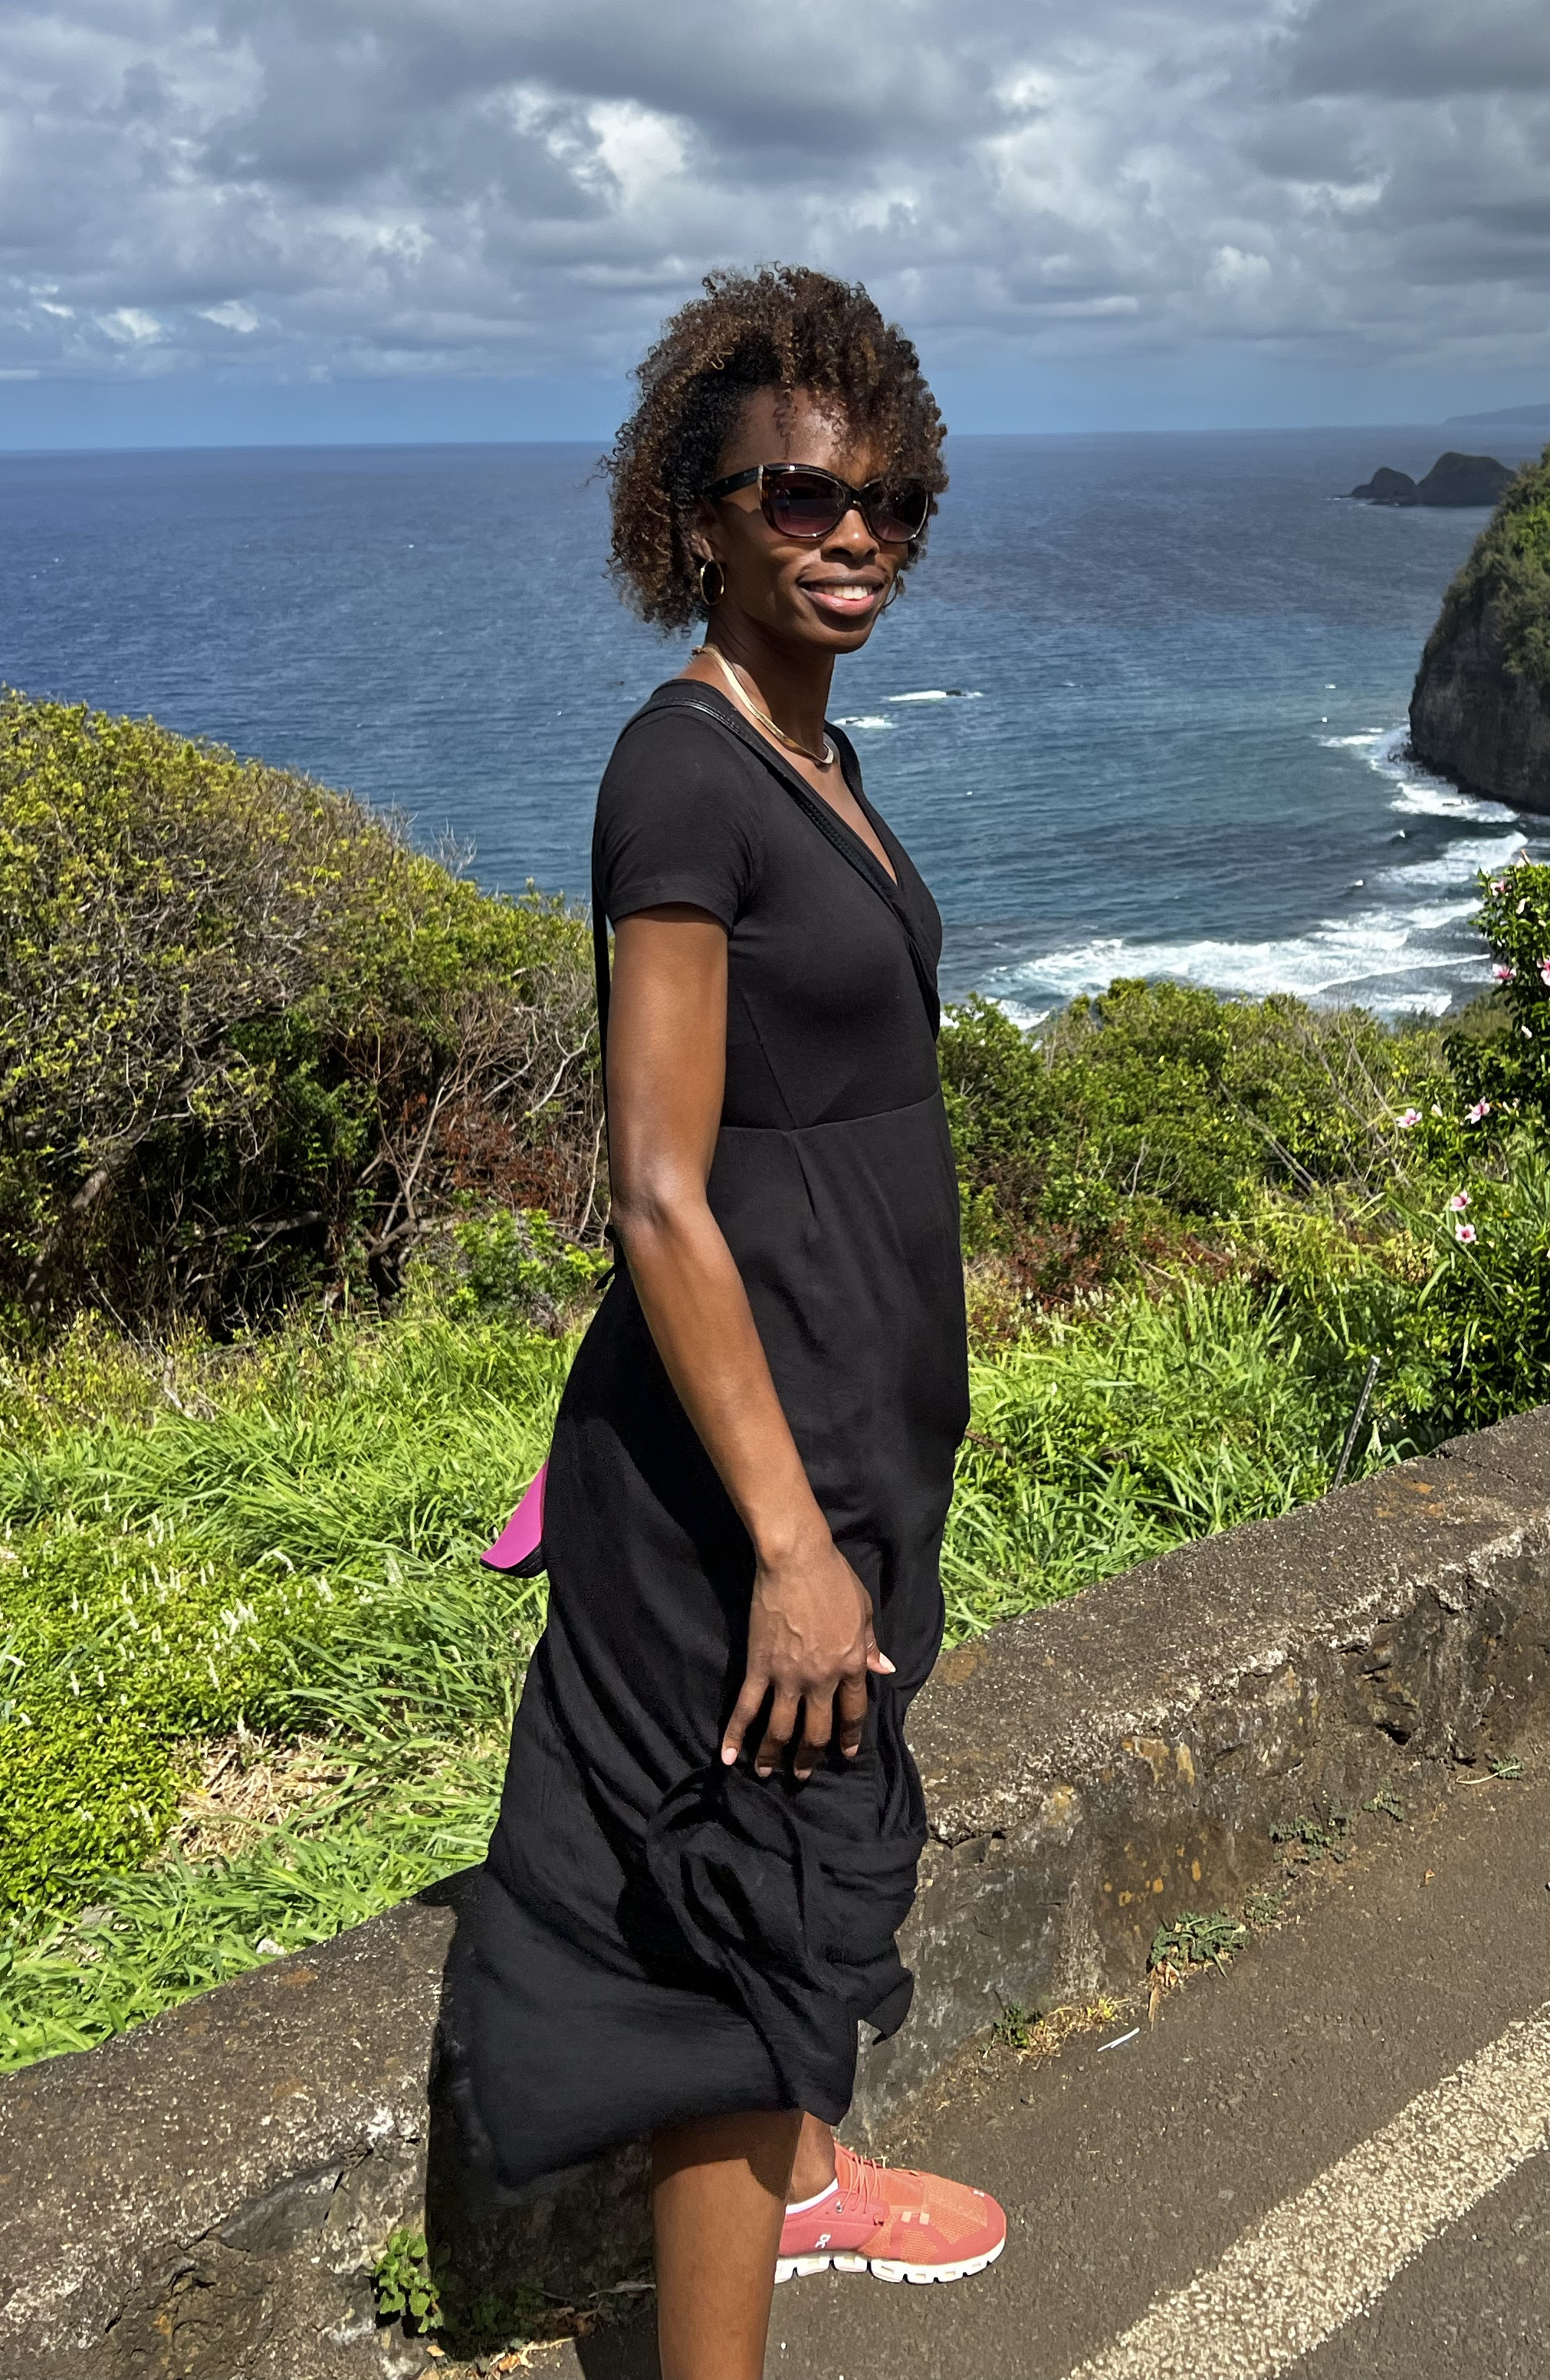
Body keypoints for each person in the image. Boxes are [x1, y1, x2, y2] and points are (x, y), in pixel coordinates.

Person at [448, 266, 1007, 2379]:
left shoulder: (815, 751)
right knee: (732, 1927)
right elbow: (659, 1186)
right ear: (697, 510)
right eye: (800, 498)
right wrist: (781, 1541)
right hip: (741, 1469)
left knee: (793, 1858)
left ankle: (806, 2177)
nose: (852, 538)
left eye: (890, 505)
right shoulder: (680, 779)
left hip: (843, 1411)